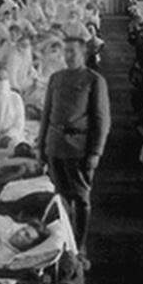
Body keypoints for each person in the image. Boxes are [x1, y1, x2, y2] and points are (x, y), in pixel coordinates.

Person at [39, 36, 111, 249]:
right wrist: (42, 146)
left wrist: (95, 152)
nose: (68, 56)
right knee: (59, 197)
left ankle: (80, 245)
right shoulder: (56, 78)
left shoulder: (94, 80)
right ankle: (64, 242)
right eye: (66, 51)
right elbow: (46, 114)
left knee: (80, 198)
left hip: (79, 147)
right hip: (55, 145)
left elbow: (101, 119)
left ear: (84, 54)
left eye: (73, 52)